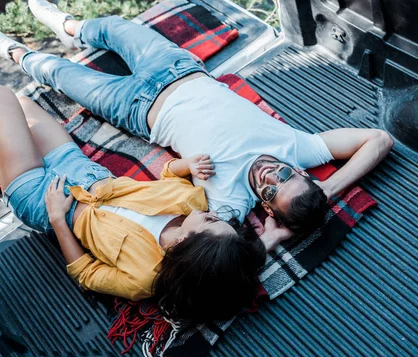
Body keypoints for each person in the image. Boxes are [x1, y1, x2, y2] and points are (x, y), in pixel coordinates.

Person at [0, 0, 394, 236]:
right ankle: (70, 27)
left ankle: (17, 53)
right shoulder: (301, 150)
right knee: (116, 28)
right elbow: (379, 140)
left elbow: (222, 242)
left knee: (59, 75)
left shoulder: (232, 200)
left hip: (135, 108)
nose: (271, 176)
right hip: (176, 68)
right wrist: (330, 189)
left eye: (271, 192)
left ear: (267, 210)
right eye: (286, 176)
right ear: (302, 173)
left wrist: (272, 239)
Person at [0, 86, 282, 323]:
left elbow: (86, 274)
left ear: (186, 241)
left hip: (42, 198)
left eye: (210, 221)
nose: (211, 213)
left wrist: (58, 219)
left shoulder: (142, 279)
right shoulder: (191, 202)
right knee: (23, 104)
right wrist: (188, 165)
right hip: (81, 169)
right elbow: (169, 174)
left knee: (4, 98)